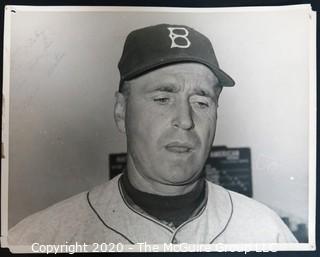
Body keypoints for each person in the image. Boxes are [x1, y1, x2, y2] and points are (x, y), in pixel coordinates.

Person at [8, 24, 297, 246]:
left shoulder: (267, 232)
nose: (185, 121)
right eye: (162, 99)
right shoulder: (41, 237)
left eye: (201, 102)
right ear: (121, 111)